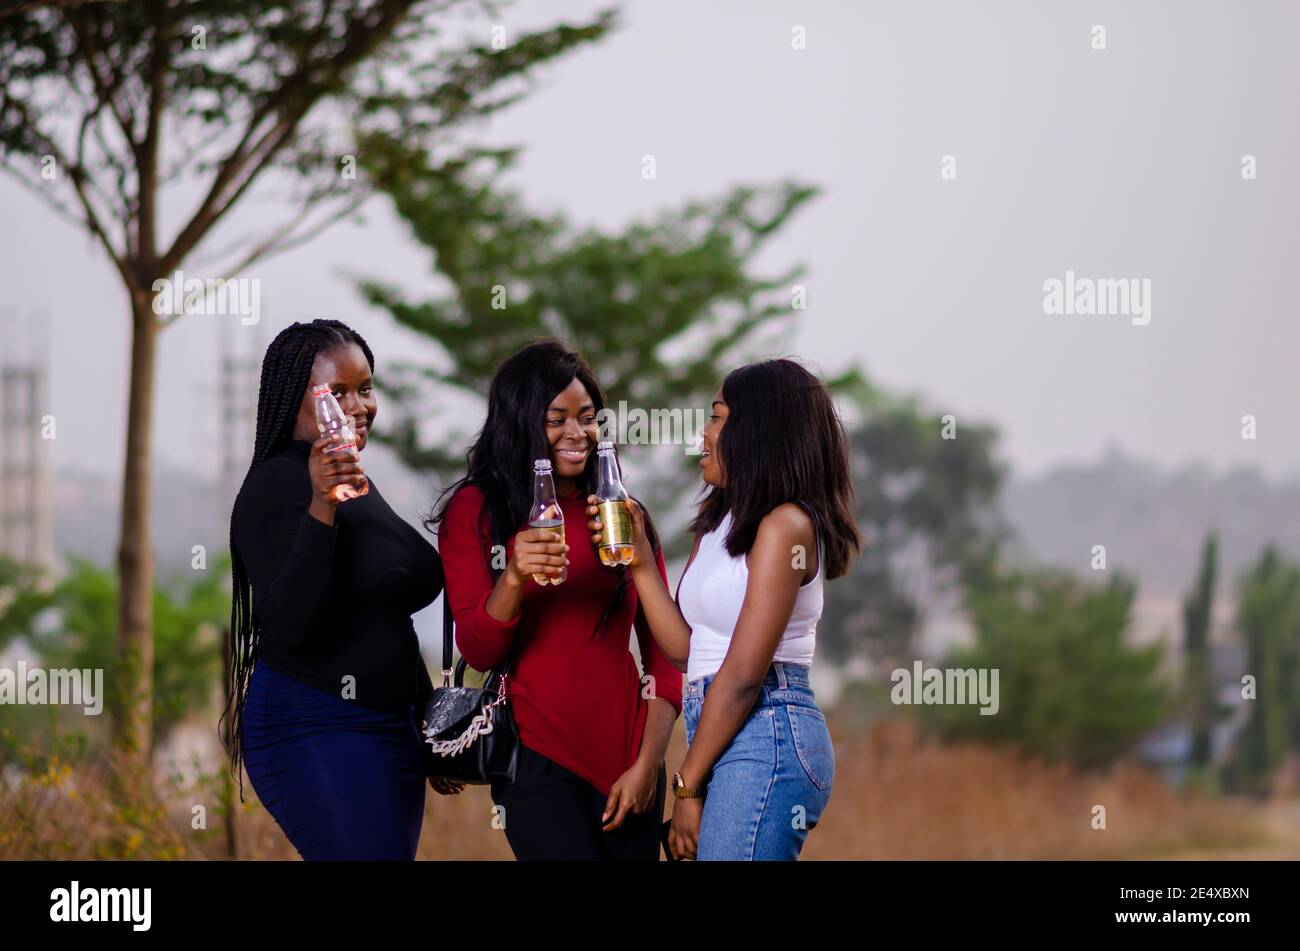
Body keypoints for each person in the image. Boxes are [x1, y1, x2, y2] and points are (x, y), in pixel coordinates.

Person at [590, 358, 861, 860]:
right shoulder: (720, 522)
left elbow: (741, 674)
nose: (704, 433)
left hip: (768, 731)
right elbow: (689, 652)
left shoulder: (786, 527)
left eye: (717, 417)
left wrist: (688, 784)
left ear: (757, 431)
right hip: (721, 729)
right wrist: (641, 562)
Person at [434, 339, 682, 860]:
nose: (577, 433)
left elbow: (667, 655)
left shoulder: (621, 514)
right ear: (521, 421)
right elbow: (477, 649)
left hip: (629, 757)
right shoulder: (477, 511)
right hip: (536, 759)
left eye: (587, 418)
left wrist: (647, 765)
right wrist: (515, 576)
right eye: (557, 419)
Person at [226, 318, 460, 861]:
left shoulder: (359, 482)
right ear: (294, 399)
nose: (358, 406)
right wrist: (321, 506)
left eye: (366, 388)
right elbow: (291, 621)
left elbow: (385, 616)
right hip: (315, 723)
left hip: (389, 727)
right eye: (336, 392)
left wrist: (429, 720)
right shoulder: (276, 486)